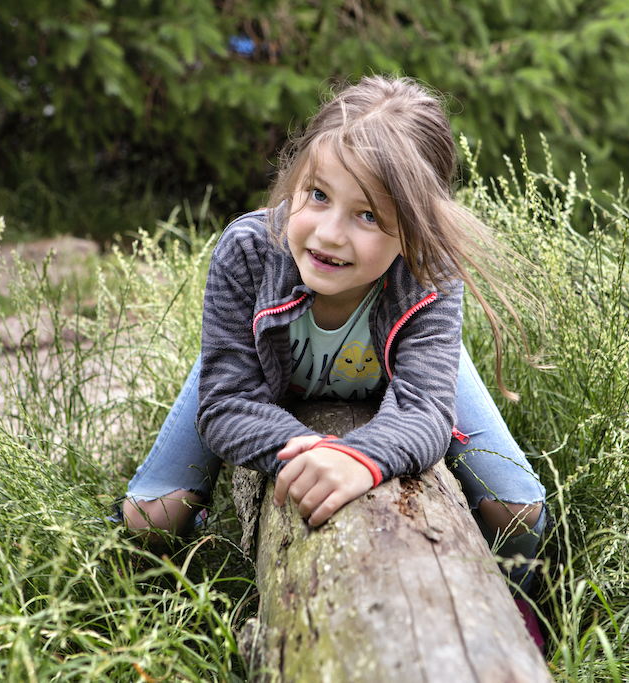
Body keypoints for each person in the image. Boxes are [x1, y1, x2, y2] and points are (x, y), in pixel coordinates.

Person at [122, 74, 547, 638]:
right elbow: (228, 401)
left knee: (515, 507)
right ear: (294, 182)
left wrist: (362, 458)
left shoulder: (430, 270)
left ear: (416, 230)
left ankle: (515, 610)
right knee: (150, 517)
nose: (329, 234)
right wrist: (306, 452)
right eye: (317, 196)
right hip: (261, 370)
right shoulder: (248, 251)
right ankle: (197, 561)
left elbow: (423, 410)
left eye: (368, 216)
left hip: (399, 375)